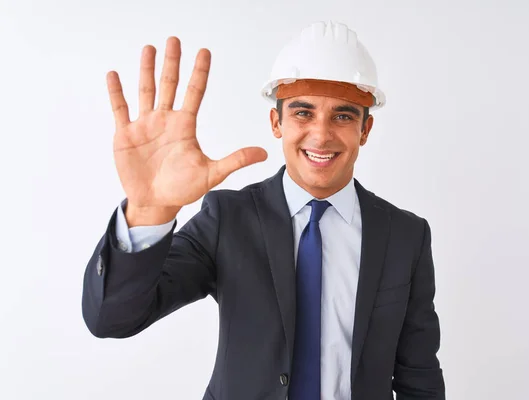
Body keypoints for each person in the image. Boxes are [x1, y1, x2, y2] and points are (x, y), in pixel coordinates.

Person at [81, 21, 445, 400]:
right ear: (277, 122)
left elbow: (419, 375)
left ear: (365, 130)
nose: (321, 135)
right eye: (303, 113)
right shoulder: (228, 218)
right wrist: (148, 210)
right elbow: (112, 318)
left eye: (343, 116)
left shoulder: (406, 235)